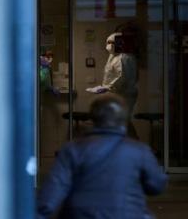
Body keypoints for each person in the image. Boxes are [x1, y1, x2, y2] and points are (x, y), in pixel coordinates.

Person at [37, 95, 167, 219]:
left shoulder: (73, 149)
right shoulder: (139, 150)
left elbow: (53, 191)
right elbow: (156, 185)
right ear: (123, 119)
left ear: (93, 118)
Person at [91, 32, 139, 138]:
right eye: (107, 42)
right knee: (121, 121)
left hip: (123, 95)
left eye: (110, 42)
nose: (108, 45)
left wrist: (107, 88)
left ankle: (133, 146)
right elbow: (110, 76)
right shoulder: (114, 57)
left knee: (123, 121)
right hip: (117, 93)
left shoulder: (124, 58)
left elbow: (122, 77)